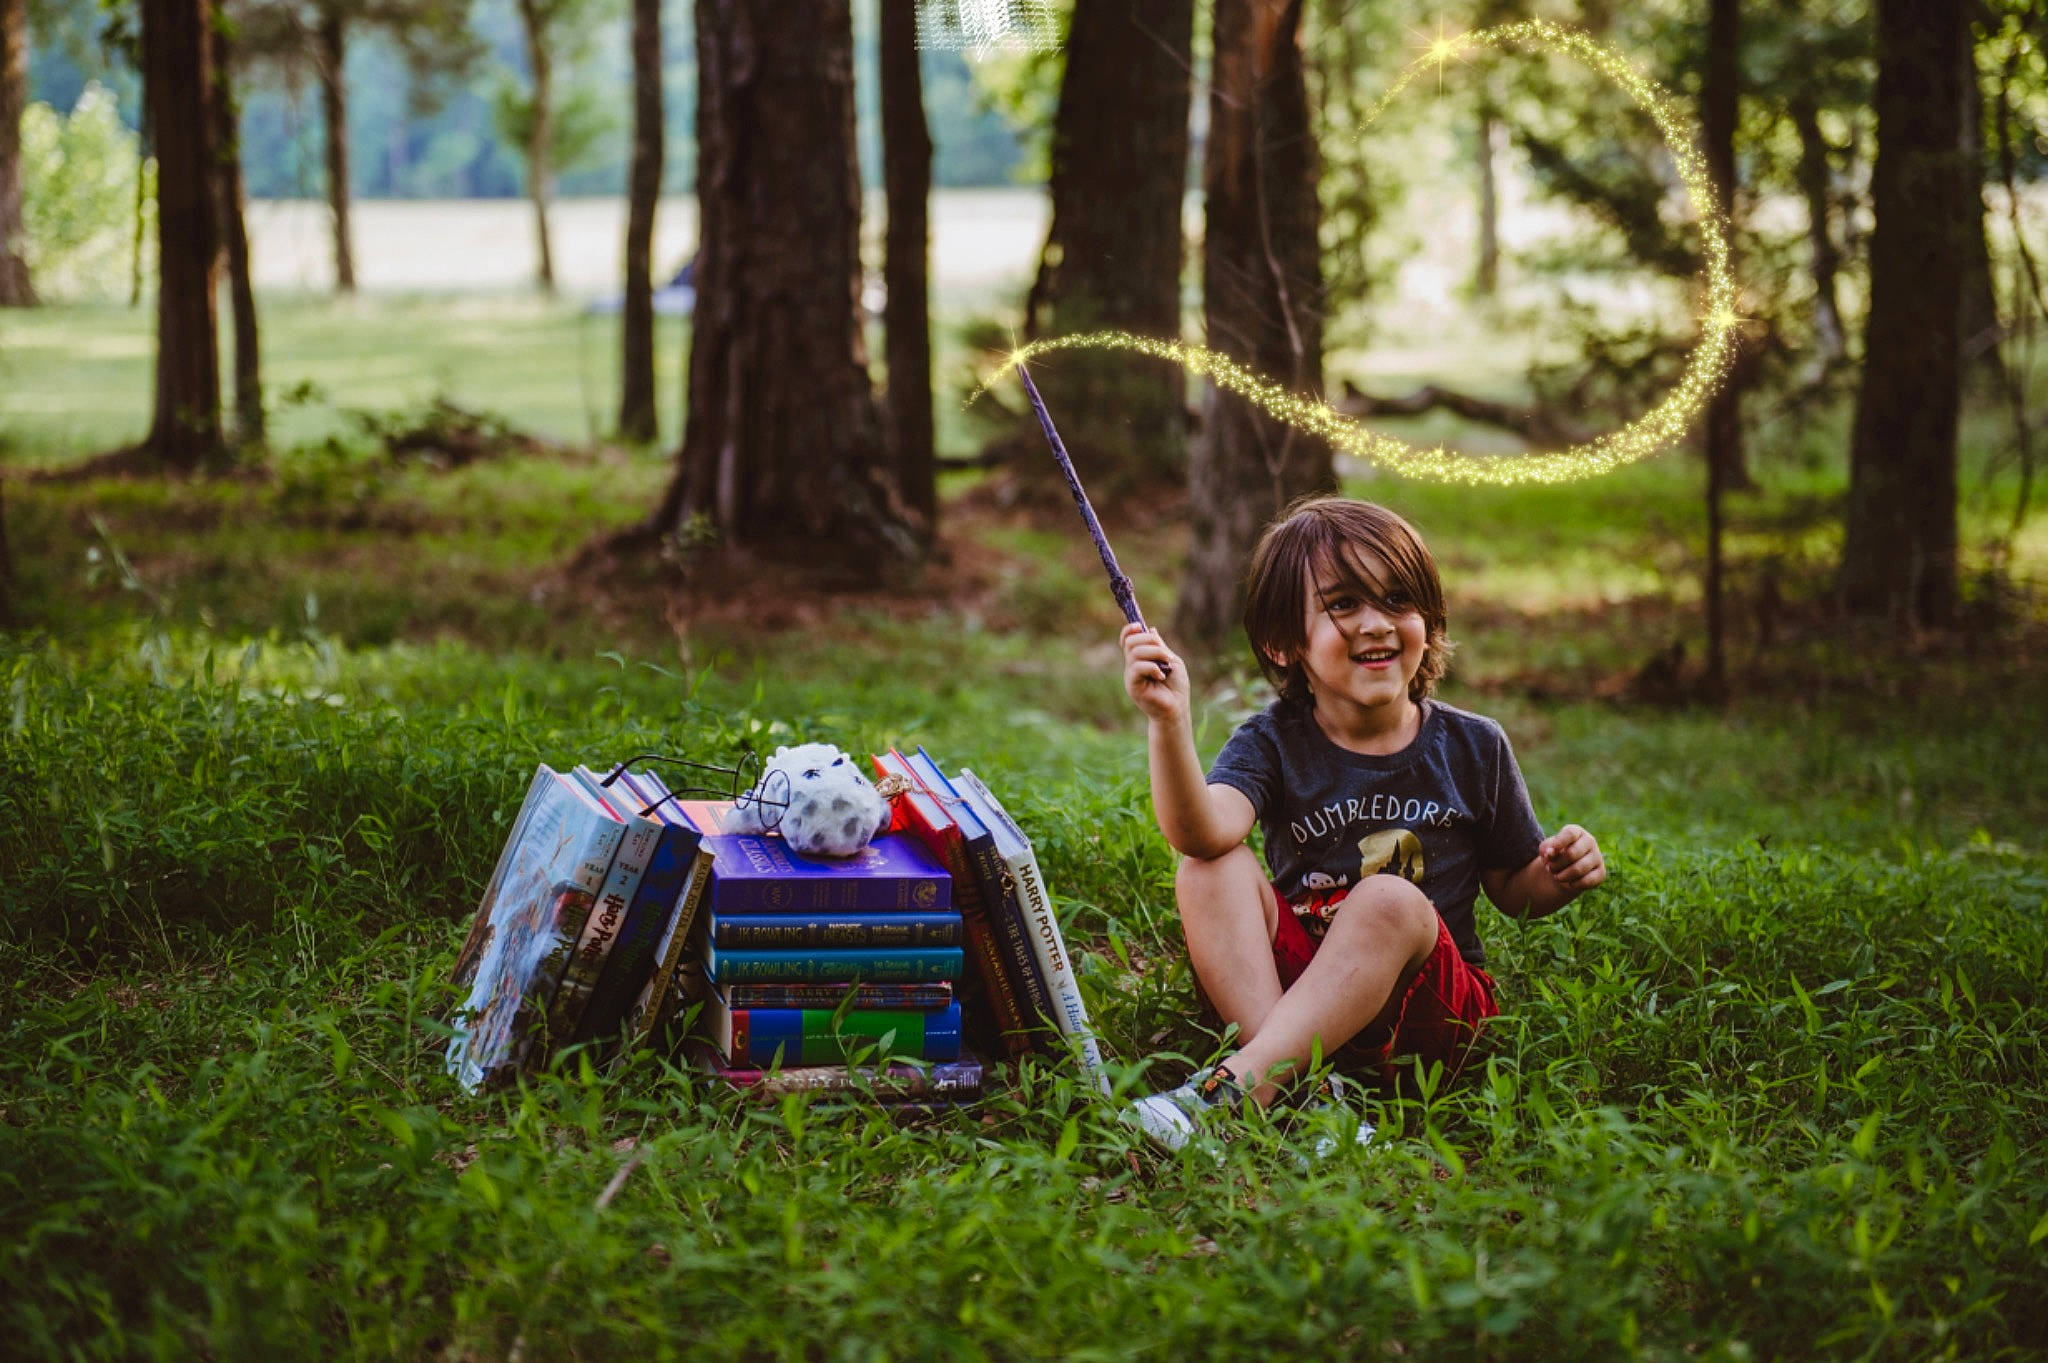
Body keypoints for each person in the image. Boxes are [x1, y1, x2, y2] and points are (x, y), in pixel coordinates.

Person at [1119, 496, 1605, 1152]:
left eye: (1397, 599)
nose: (1375, 623)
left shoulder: (1473, 746)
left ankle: (1237, 1089)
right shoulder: (1272, 742)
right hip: (1300, 995)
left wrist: (1558, 874)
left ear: (1428, 621)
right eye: (1343, 604)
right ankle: (1309, 1102)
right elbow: (1203, 832)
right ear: (1283, 643)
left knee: (1387, 901)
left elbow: (1513, 890)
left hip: (1428, 1017)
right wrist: (1169, 722)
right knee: (1211, 866)